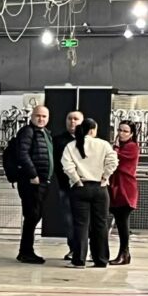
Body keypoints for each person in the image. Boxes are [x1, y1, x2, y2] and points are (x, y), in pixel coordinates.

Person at [61, 118, 118, 269]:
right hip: (100, 188)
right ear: (93, 130)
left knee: (81, 225)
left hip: (80, 188)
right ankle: (101, 259)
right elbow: (113, 161)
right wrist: (105, 176)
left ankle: (79, 260)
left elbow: (67, 166)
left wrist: (76, 180)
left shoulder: (71, 146)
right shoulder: (103, 144)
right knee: (100, 224)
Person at [11, 105, 53, 265]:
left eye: (44, 116)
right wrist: (32, 174)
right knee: (32, 215)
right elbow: (22, 154)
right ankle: (26, 252)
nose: (41, 119)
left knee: (35, 215)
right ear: (32, 116)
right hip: (31, 182)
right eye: (38, 115)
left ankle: (26, 250)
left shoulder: (45, 133)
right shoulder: (27, 132)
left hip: (41, 181)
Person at [54, 111, 84, 263]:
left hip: (85, 187)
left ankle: (85, 250)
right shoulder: (58, 140)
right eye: (69, 119)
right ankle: (73, 248)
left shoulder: (89, 140)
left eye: (76, 119)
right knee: (69, 219)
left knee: (85, 220)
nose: (72, 121)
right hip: (66, 187)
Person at [109, 120, 141, 266]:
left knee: (122, 222)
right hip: (116, 187)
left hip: (126, 188)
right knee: (118, 221)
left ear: (131, 134)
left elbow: (116, 160)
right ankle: (123, 253)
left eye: (125, 131)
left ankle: (124, 253)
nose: (121, 133)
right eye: (119, 130)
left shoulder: (132, 147)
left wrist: (115, 147)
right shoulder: (119, 146)